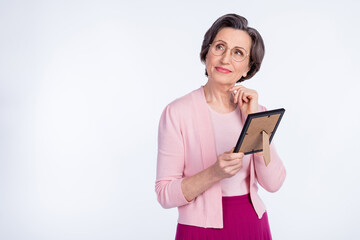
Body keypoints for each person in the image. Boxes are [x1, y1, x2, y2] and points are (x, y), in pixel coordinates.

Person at [155, 13, 286, 240]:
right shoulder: (176, 113)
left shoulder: (256, 111)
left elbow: (274, 183)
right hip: (199, 231)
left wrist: (254, 119)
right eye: (219, 47)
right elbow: (164, 195)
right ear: (207, 53)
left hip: (251, 225)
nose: (225, 59)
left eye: (238, 53)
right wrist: (214, 173)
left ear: (248, 67)